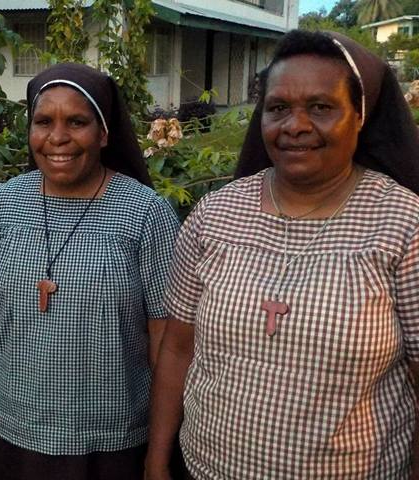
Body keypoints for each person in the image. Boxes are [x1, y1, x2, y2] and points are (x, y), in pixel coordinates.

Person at [146, 30, 419, 479]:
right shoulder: (216, 213)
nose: (295, 126)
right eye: (277, 109)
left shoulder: (403, 225)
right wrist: (156, 461)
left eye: (320, 107)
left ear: (360, 116)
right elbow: (177, 349)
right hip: (209, 469)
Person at [0, 62, 179, 479]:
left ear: (103, 133)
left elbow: (165, 337)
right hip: (9, 427)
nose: (57, 138)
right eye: (43, 122)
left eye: (77, 122)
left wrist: (161, 445)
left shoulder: (144, 213)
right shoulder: (6, 202)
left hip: (108, 438)